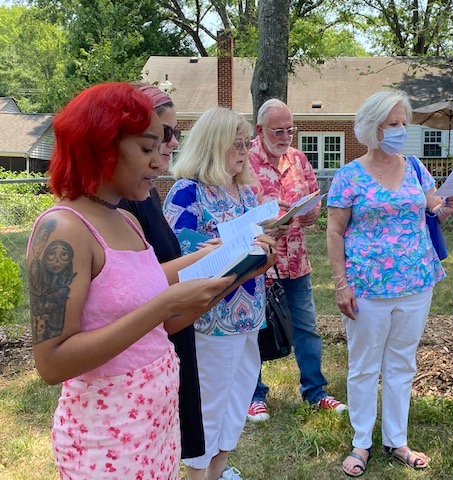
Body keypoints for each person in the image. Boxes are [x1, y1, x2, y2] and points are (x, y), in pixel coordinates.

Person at [26, 82, 274, 479]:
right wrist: (163, 305)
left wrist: (227, 266)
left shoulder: (125, 217)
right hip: (107, 438)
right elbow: (52, 362)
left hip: (155, 429)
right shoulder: (62, 229)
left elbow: (154, 304)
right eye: (146, 149)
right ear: (101, 145)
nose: (160, 163)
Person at [326, 89, 453, 477]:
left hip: (417, 281)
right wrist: (340, 284)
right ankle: (361, 441)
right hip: (367, 286)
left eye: (404, 123)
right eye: (394, 124)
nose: (403, 130)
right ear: (373, 128)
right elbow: (334, 232)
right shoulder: (349, 175)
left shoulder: (418, 167)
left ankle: (396, 439)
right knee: (365, 365)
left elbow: (435, 209)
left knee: (402, 362)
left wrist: (447, 206)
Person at [163, 107, 276, 480]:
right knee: (209, 405)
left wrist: (264, 247)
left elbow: (249, 241)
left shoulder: (243, 190)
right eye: (236, 144)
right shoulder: (187, 191)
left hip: (248, 311)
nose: (244, 152)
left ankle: (219, 469)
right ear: (213, 145)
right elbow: (177, 254)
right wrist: (225, 248)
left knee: (239, 396)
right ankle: (198, 475)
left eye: (247, 144)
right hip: (209, 316)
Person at [118, 85, 206, 460]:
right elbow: (139, 284)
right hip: (130, 372)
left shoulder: (145, 191)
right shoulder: (117, 203)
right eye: (151, 142)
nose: (165, 151)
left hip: (159, 349)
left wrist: (220, 262)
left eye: (171, 135)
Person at [247, 98, 347, 422]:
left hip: (295, 262)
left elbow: (314, 199)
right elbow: (234, 213)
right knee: (253, 329)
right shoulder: (243, 160)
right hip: (257, 261)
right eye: (279, 131)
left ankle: (315, 392)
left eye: (291, 130)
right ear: (260, 130)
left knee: (307, 327)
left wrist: (309, 214)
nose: (286, 136)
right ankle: (254, 395)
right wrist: (271, 221)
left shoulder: (299, 159)